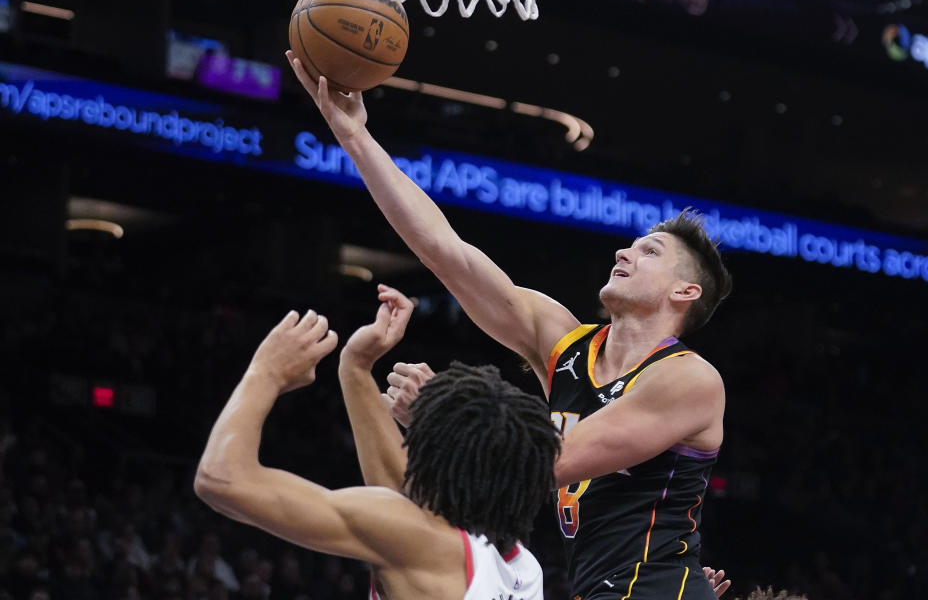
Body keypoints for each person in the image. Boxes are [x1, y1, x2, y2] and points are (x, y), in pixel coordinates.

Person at [286, 53, 734, 600]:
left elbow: (548, 464)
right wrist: (355, 137)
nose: (624, 251)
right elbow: (446, 253)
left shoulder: (689, 379)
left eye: (650, 251)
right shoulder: (566, 346)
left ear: (684, 292)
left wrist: (442, 416)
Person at [194, 286, 561, 600]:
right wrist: (356, 367)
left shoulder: (421, 542)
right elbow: (405, 493)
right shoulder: (522, 569)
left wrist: (266, 372)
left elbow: (221, 479)